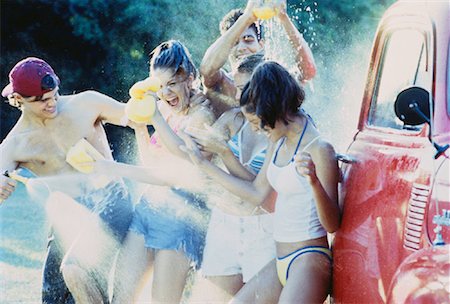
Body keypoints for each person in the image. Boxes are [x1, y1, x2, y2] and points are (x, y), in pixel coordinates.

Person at [183, 61, 340, 303]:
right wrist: (209, 164)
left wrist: (314, 183)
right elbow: (258, 192)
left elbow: (332, 224)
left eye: (257, 123)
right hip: (280, 259)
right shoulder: (279, 142)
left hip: (308, 260)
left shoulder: (320, 149)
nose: (256, 131)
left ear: (272, 110)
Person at [0, 57, 134, 303]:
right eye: (41, 100)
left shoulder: (87, 103)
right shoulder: (15, 144)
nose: (51, 103)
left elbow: (138, 116)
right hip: (69, 216)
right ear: (18, 100)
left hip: (111, 199)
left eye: (54, 95)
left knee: (76, 269)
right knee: (53, 299)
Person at [107, 40, 216, 304]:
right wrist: (140, 128)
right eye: (160, 86)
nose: (165, 93)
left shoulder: (202, 114)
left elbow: (182, 160)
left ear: (188, 78)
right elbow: (152, 165)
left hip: (182, 216)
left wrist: (154, 117)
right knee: (120, 296)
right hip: (149, 208)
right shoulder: (165, 111)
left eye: (172, 84)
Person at [200, 0, 316, 117]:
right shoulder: (221, 84)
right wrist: (248, 17)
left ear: (261, 44)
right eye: (234, 43)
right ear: (227, 48)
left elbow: (308, 71)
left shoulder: (275, 82)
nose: (241, 48)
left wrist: (283, 18)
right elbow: (206, 68)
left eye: (248, 40)